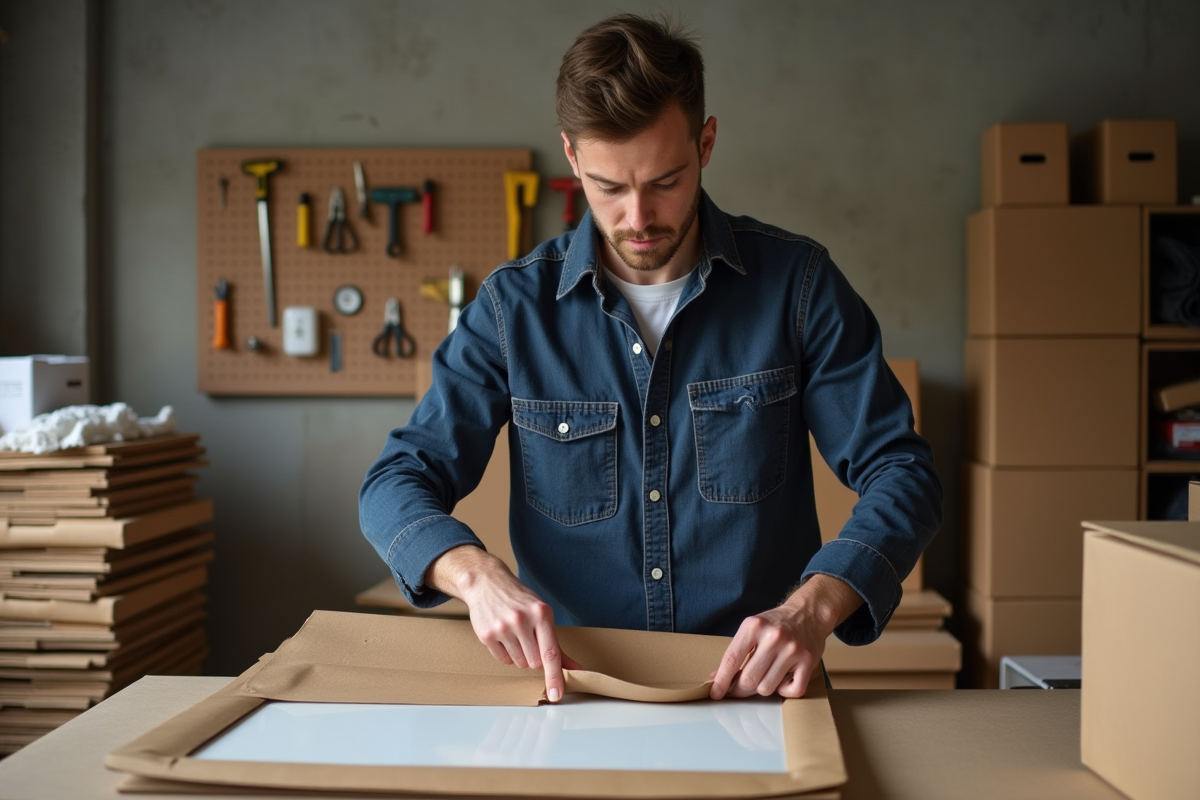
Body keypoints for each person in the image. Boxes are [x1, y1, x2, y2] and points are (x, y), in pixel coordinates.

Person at [360, 13, 942, 705]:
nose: (638, 217)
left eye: (665, 181)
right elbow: (396, 481)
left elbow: (903, 472)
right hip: (568, 694)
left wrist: (813, 608)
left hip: (757, 693)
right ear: (572, 158)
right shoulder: (512, 309)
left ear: (706, 142)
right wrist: (475, 575)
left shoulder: (800, 288)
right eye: (609, 187)